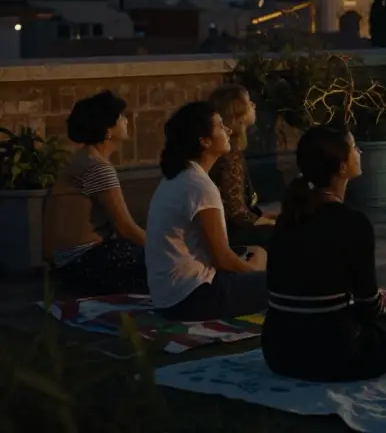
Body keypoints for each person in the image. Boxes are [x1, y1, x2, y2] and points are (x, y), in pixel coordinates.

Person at [262, 125, 386, 381]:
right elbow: (369, 307)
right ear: (341, 168)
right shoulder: (352, 222)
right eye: (355, 148)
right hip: (338, 354)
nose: (360, 151)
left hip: (279, 352)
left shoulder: (288, 218)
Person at [145, 101, 268, 321]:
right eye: (221, 126)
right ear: (204, 141)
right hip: (191, 297)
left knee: (257, 252)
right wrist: (261, 278)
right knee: (285, 284)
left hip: (169, 295)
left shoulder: (179, 177)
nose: (228, 130)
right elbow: (222, 259)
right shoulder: (199, 186)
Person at [43, 91, 148, 294]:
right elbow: (125, 228)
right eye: (121, 116)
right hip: (82, 263)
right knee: (168, 265)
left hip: (68, 263)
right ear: (108, 129)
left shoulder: (85, 158)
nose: (126, 121)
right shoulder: (96, 166)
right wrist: (169, 251)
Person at [208, 84, 275, 249]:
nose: (254, 106)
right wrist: (269, 223)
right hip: (232, 236)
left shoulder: (232, 150)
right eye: (249, 103)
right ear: (239, 116)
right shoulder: (229, 157)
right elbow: (237, 214)